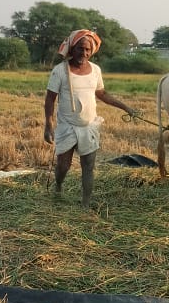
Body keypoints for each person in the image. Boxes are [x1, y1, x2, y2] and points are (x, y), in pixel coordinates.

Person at [44, 28, 134, 207]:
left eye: (87, 50)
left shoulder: (95, 70)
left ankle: (86, 202)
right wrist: (48, 124)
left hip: (89, 127)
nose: (84, 53)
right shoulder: (60, 71)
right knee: (63, 166)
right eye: (80, 49)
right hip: (67, 126)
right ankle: (59, 186)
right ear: (72, 48)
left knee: (88, 165)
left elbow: (102, 94)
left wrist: (125, 107)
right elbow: (50, 99)